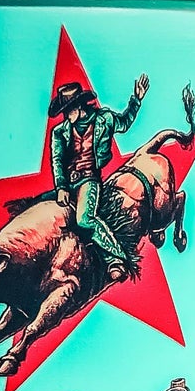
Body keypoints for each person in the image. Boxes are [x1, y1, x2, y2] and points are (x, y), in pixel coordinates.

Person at [49, 72, 148, 283]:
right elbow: (57, 160)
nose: (66, 116)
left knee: (84, 219)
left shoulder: (104, 119)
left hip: (89, 180)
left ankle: (117, 257)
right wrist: (61, 187)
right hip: (68, 183)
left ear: (78, 107)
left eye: (68, 111)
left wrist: (136, 100)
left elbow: (124, 122)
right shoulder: (60, 132)